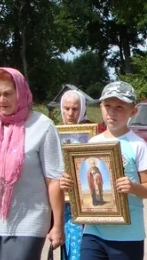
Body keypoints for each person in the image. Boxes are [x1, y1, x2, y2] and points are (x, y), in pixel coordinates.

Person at [60, 81, 147, 260]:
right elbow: (83, 185)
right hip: (93, 231)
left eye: (120, 107)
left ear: (133, 111)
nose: (112, 112)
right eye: (107, 106)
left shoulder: (138, 145)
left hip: (127, 235)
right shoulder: (92, 143)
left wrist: (133, 187)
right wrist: (69, 183)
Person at [0, 67, 65, 260]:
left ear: (20, 91)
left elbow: (54, 180)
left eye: (8, 93)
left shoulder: (42, 126)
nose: (2, 100)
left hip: (30, 220)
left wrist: (58, 225)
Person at [60, 90, 94, 260]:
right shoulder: (54, 133)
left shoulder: (92, 133)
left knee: (84, 247)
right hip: (64, 202)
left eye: (75, 109)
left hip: (86, 199)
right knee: (66, 243)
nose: (70, 114)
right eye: (66, 109)